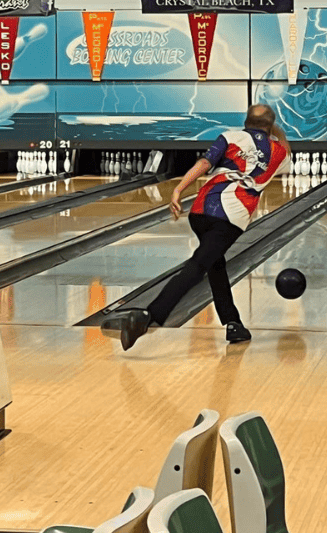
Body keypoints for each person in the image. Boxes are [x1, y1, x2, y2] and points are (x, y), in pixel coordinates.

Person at [117, 104, 290, 351]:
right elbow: (284, 149)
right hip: (231, 216)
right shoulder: (279, 152)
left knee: (214, 263)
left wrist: (178, 190)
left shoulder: (230, 136)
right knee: (199, 265)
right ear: (270, 125)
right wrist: (273, 133)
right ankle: (149, 316)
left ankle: (233, 323)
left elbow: (205, 163)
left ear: (245, 121)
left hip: (200, 211)